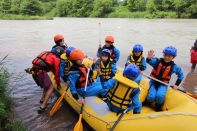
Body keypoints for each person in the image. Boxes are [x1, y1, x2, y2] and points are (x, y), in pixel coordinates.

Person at [25, 46, 64, 113]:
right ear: (59, 54)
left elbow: (49, 67)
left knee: (47, 85)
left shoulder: (45, 53)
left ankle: (42, 100)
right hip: (40, 73)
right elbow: (57, 74)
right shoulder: (56, 59)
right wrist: (58, 84)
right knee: (51, 87)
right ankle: (43, 106)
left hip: (34, 73)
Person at [146, 46, 184, 111]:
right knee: (151, 97)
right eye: (165, 55)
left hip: (163, 84)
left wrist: (176, 85)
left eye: (169, 56)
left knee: (160, 96)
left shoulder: (174, 67)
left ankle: (158, 107)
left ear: (173, 57)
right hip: (154, 82)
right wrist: (149, 58)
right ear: (163, 55)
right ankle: (147, 104)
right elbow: (150, 61)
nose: (166, 57)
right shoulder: (157, 61)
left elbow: (181, 76)